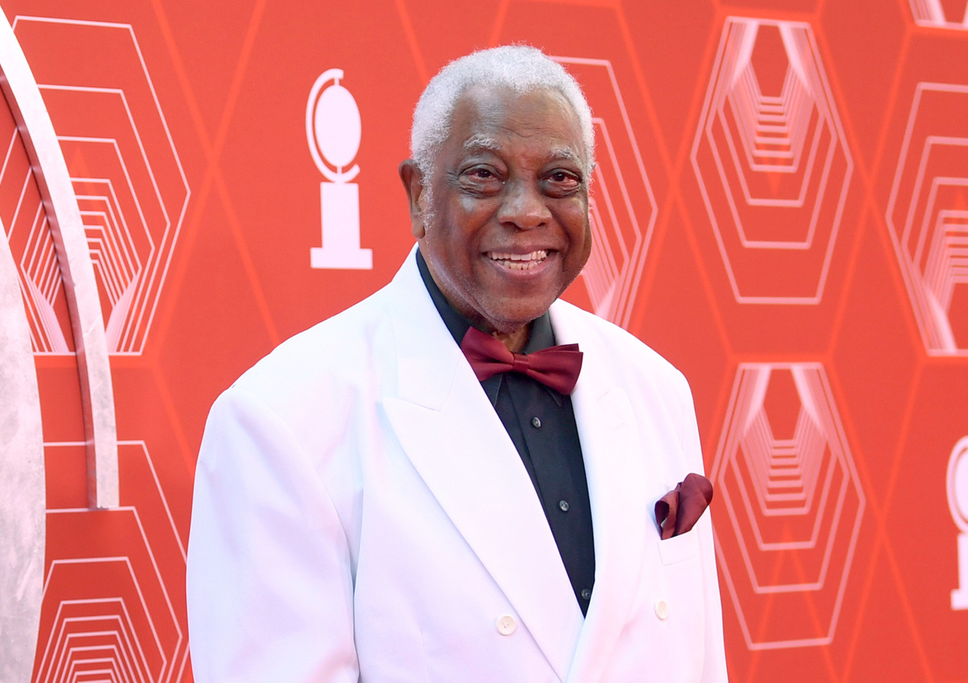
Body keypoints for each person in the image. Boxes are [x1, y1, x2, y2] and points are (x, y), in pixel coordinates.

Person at [187, 45, 727, 682]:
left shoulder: (655, 386)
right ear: (418, 194)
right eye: (485, 176)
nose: (528, 211)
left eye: (560, 178)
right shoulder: (281, 421)